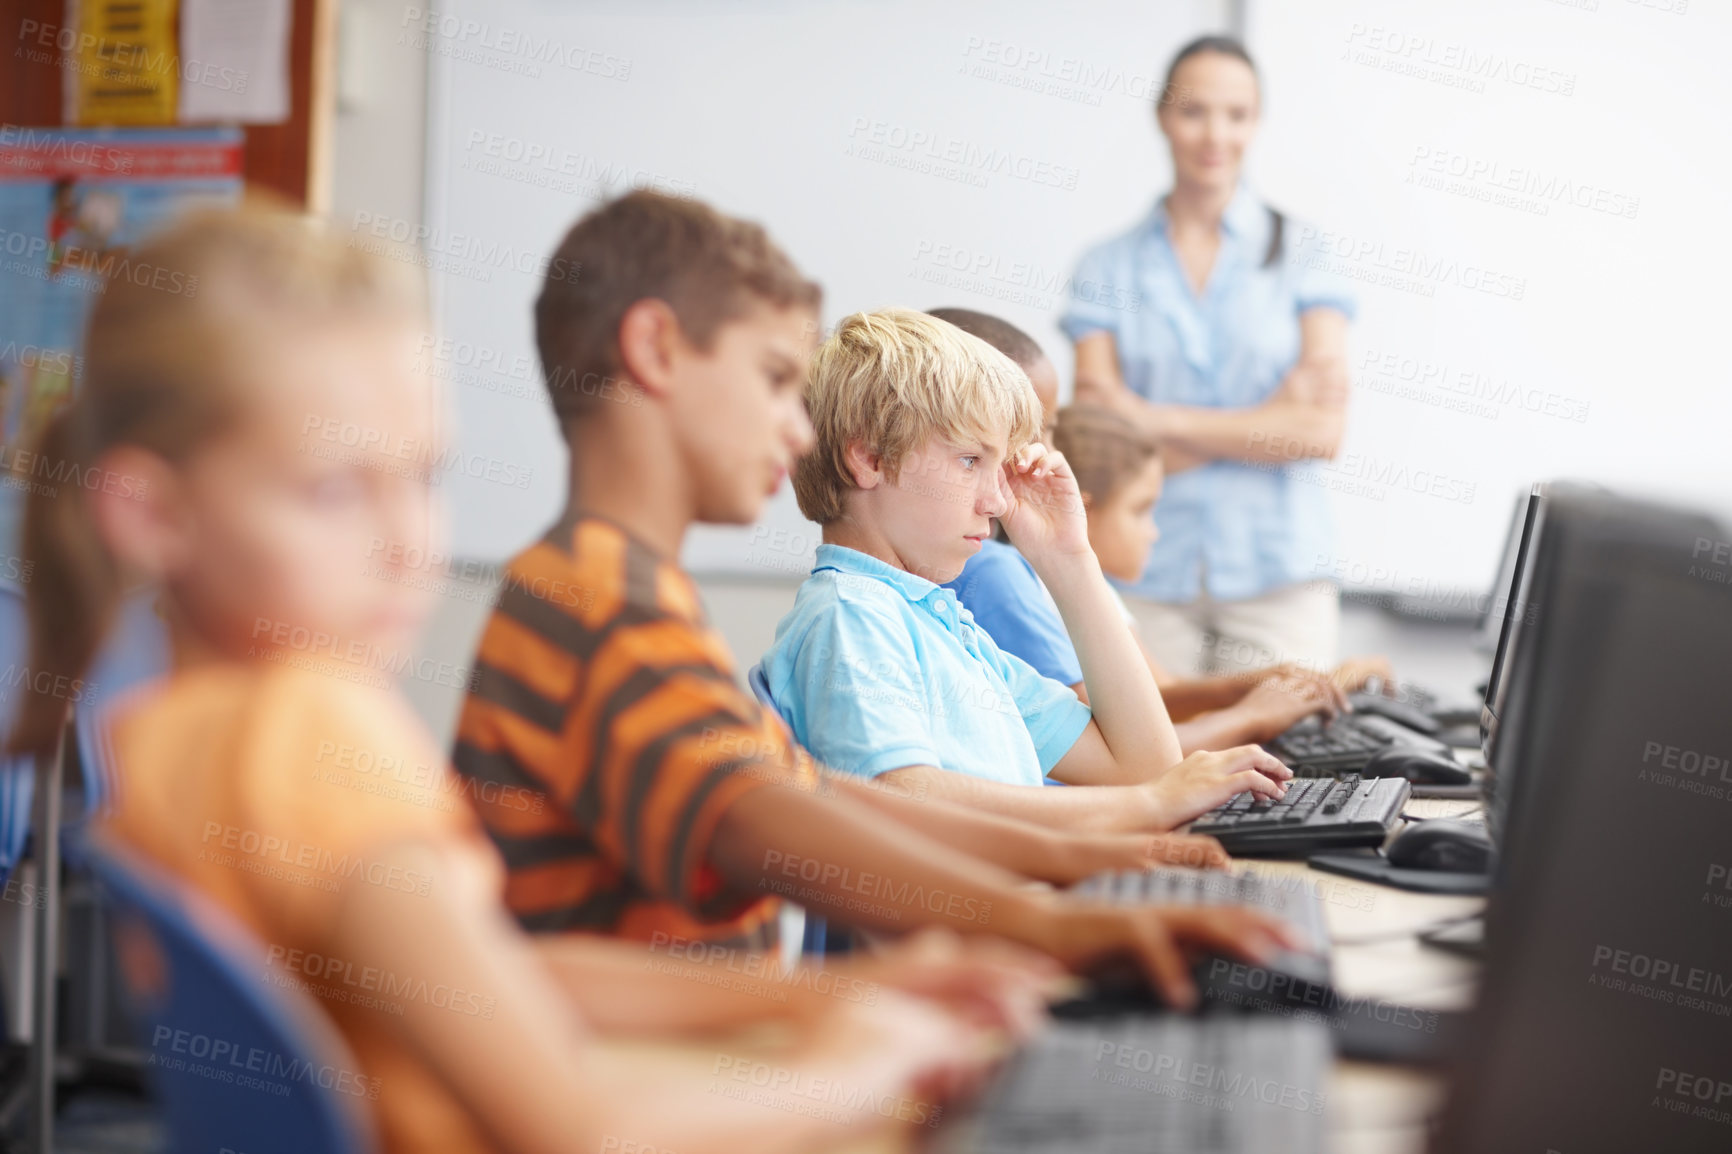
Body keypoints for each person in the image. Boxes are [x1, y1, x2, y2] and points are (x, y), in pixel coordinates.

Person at [3, 204, 1048, 1154]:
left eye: (423, 477)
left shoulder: (171, 728)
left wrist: (835, 998)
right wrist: (866, 1067)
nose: (406, 543)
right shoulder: (314, 733)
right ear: (152, 514)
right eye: (331, 489)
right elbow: (580, 1126)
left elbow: (492, 979)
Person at [451, 192, 1298, 1001]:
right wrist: (1070, 886)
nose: (796, 427)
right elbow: (838, 813)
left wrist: (1095, 852)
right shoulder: (600, 610)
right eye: (776, 378)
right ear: (657, 349)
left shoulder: (639, 599)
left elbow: (813, 795)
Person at [761, 305, 1296, 835]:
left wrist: (1069, 561)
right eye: (971, 460)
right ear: (871, 460)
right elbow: (902, 795)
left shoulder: (945, 627)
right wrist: (1149, 804)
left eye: (1002, 467)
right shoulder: (852, 615)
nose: (997, 501)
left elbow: (1143, 764)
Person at [928, 307, 1392, 749]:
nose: (1046, 449)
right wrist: (1251, 714)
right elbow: (1133, 749)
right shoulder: (995, 575)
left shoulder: (1017, 573)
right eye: (1142, 510)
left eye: (1045, 427)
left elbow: (1152, 711)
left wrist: (1278, 689)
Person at [1063, 35, 1359, 679]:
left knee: (1298, 769)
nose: (1214, 134)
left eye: (1237, 114)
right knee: (1153, 758)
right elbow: (1096, 446)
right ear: (1162, 117)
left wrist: (1149, 418)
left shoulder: (1306, 253)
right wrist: (1266, 421)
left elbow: (1319, 432)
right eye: (1194, 111)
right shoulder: (1104, 265)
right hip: (1143, 575)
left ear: (1257, 122)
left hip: (1277, 576)